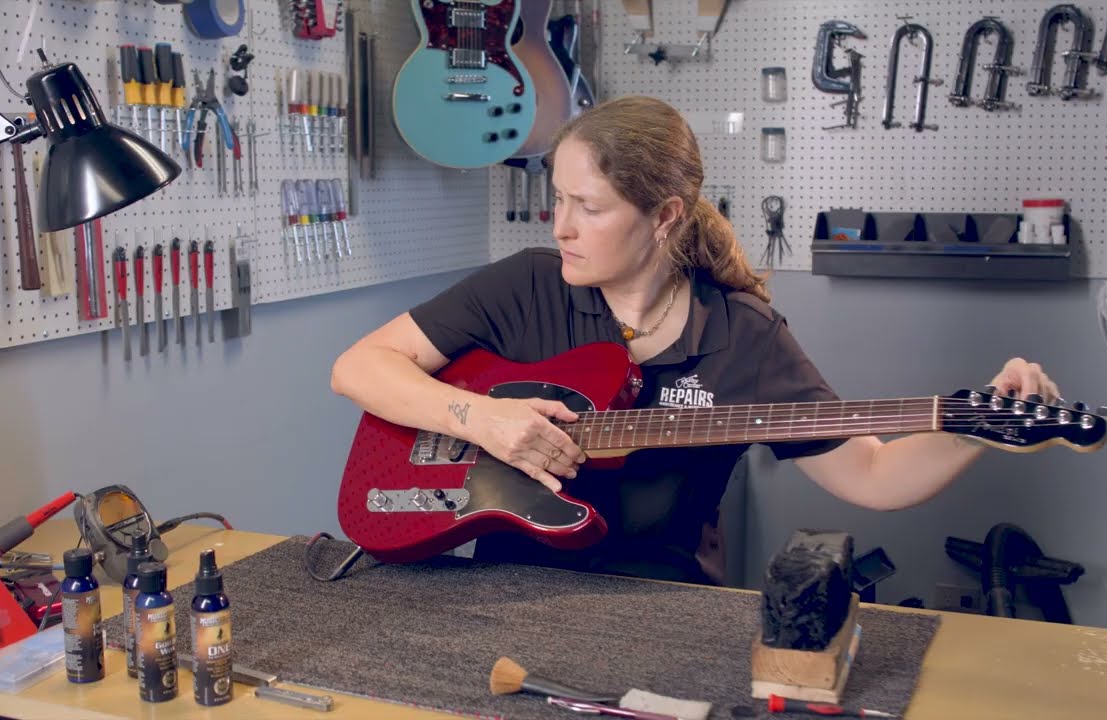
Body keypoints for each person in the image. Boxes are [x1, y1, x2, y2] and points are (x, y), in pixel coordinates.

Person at [330, 95, 1060, 586]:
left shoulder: (743, 335)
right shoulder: (526, 284)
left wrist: (972, 429)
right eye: (558, 198)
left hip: (666, 611)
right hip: (495, 594)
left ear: (664, 215)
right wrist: (480, 417)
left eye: (588, 206)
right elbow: (358, 367)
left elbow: (872, 475)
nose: (560, 227)